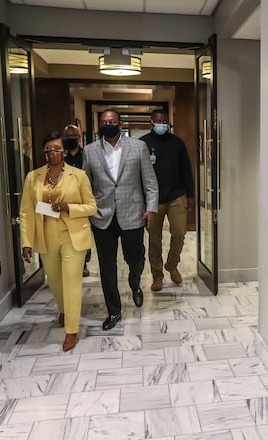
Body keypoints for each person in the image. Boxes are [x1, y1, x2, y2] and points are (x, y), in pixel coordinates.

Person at [19, 131, 97, 352]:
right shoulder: (33, 177)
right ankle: (64, 309)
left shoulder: (78, 175)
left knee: (72, 283)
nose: (52, 153)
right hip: (46, 237)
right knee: (55, 281)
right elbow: (26, 212)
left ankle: (71, 330)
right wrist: (26, 241)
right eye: (48, 150)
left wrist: (68, 208)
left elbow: (91, 206)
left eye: (56, 149)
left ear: (64, 152)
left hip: (73, 236)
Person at [82, 109, 158, 331]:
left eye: (112, 121)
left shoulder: (138, 147)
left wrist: (151, 208)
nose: (108, 124)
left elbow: (150, 182)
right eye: (104, 122)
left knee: (136, 258)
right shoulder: (89, 151)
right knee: (107, 267)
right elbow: (85, 185)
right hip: (102, 216)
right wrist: (88, 210)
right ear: (99, 124)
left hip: (133, 214)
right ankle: (114, 311)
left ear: (119, 123)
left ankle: (135, 283)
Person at [139, 109, 195, 291]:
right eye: (158, 121)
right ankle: (157, 275)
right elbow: (137, 174)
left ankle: (172, 265)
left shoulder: (177, 143)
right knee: (154, 238)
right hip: (152, 199)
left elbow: (186, 169)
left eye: (164, 121)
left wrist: (190, 194)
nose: (161, 124)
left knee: (179, 232)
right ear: (152, 122)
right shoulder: (143, 144)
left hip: (176, 195)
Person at [62, 122, 91, 277]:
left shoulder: (86, 155)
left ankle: (84, 263)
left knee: (82, 233)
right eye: (68, 136)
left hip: (82, 201)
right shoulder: (60, 155)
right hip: (63, 200)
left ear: (80, 138)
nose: (71, 139)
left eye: (74, 136)